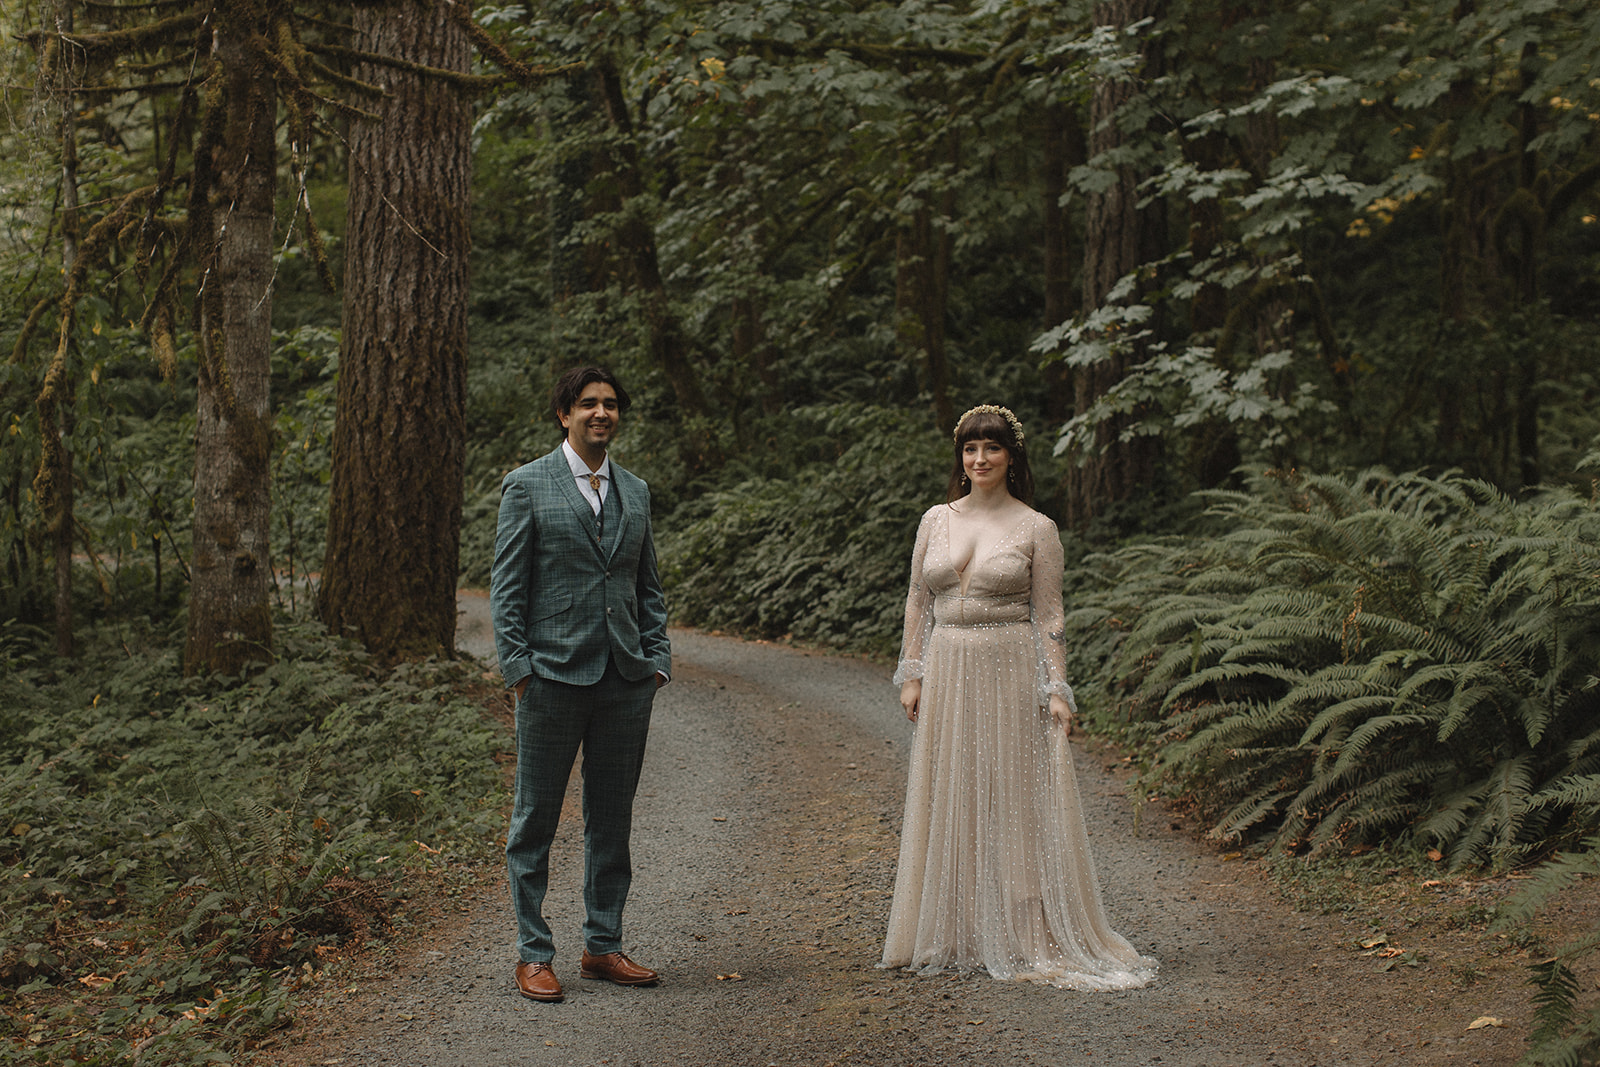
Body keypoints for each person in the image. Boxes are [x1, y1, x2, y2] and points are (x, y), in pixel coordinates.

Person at [881, 404, 1157, 990]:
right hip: (949, 661)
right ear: (960, 457)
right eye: (970, 450)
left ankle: (1026, 930)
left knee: (1013, 793)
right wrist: (913, 672)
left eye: (992, 449)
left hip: (1009, 665)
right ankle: (954, 929)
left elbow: (1050, 615)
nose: (979, 460)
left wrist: (1056, 687)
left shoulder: (1036, 527)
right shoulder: (935, 519)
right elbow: (916, 601)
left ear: (1011, 457)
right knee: (952, 786)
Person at [490, 366, 672, 1003]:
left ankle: (603, 945)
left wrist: (657, 659)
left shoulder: (636, 491)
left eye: (612, 405)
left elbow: (646, 586)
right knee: (534, 821)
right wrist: (520, 672)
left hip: (625, 679)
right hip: (551, 678)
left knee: (611, 820)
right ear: (564, 414)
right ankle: (534, 954)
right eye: (589, 404)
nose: (602, 414)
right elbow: (507, 591)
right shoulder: (527, 485)